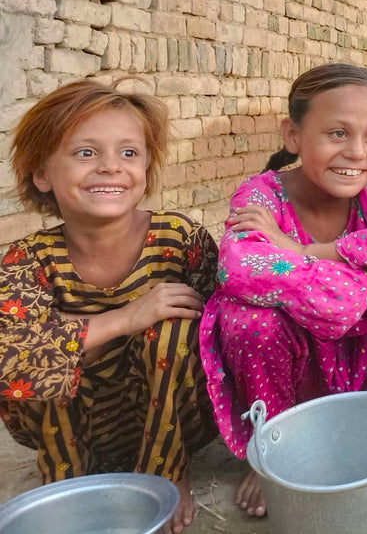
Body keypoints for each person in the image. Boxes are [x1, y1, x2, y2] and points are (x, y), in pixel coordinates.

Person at [199, 63, 367, 517]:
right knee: (247, 316)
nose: (357, 153)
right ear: (293, 136)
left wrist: (311, 251)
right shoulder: (262, 196)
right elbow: (241, 269)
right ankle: (276, 449)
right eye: (337, 134)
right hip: (297, 361)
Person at [2, 80, 218, 534]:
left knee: (178, 324)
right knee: (33, 351)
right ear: (42, 174)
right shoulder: (26, 260)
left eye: (128, 153)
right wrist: (123, 319)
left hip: (174, 418)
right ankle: (68, 474)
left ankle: (165, 470)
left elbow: (222, 342)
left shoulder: (180, 241)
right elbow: (11, 364)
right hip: (71, 424)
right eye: (85, 154)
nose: (109, 168)